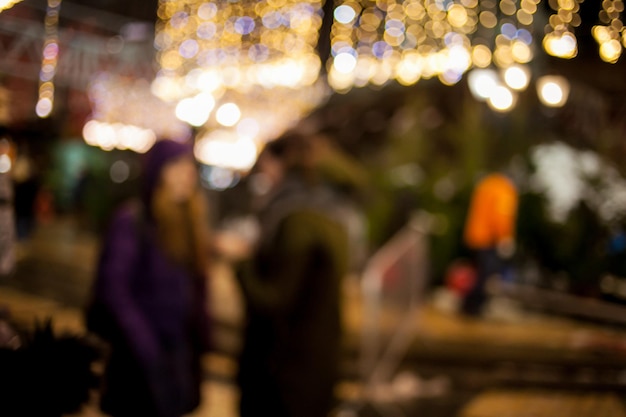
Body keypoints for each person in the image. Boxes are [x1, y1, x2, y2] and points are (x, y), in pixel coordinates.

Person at [216, 132, 349, 417]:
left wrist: (240, 263)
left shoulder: (294, 219)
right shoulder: (328, 211)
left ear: (280, 165)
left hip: (285, 373)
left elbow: (273, 300)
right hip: (313, 364)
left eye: (265, 166)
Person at [88, 139, 212, 417]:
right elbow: (114, 288)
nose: (186, 174)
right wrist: (144, 344)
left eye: (188, 165)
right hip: (139, 355)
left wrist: (202, 336)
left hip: (178, 353)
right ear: (158, 171)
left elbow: (195, 285)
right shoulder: (133, 220)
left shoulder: (189, 219)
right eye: (175, 165)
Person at [461, 171, 518, 316]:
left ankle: (468, 306)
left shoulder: (486, 185)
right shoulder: (504, 190)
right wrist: (504, 237)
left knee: (479, 273)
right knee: (486, 275)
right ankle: (472, 308)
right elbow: (501, 216)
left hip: (475, 236)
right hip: (489, 239)